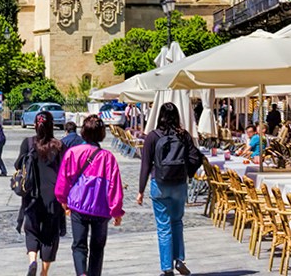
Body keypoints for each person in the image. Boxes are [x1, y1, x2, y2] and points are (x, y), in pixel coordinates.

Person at [54, 114, 124, 276]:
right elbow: (114, 187)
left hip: (78, 205)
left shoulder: (73, 153)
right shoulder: (108, 158)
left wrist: (63, 200)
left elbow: (64, 180)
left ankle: (81, 273)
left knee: (79, 245)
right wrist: (116, 211)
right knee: (97, 248)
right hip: (101, 207)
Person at [138, 101, 200, 276]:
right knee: (177, 222)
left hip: (160, 184)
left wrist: (140, 190)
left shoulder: (153, 136)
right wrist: (188, 173)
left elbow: (145, 165)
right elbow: (196, 157)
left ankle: (167, 268)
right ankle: (179, 260)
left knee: (163, 226)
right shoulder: (184, 136)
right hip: (179, 185)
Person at [16, 111, 67, 276]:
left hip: (32, 195)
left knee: (31, 230)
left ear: (35, 125)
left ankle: (32, 261)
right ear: (52, 125)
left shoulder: (28, 142)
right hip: (53, 196)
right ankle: (44, 273)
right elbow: (65, 173)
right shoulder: (59, 146)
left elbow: (18, 166)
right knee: (50, 234)